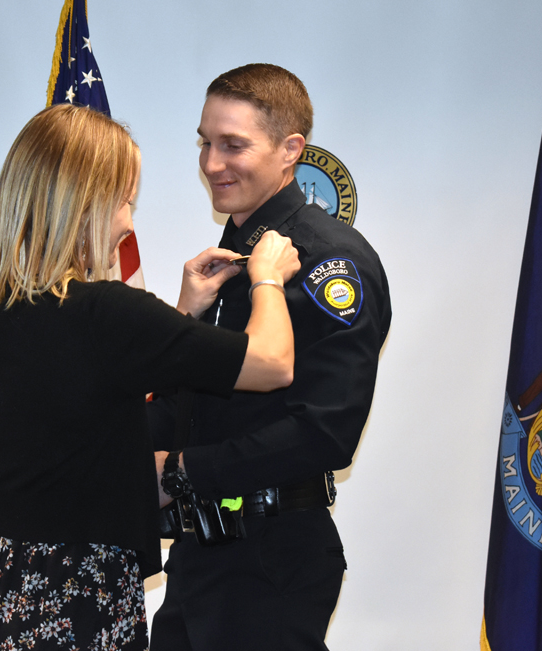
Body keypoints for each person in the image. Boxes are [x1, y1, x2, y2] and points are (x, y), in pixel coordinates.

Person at [0, 103, 301, 651]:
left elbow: (78, 399)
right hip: (77, 595)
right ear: (87, 201)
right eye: (127, 200)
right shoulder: (107, 313)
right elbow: (273, 364)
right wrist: (267, 279)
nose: (129, 221)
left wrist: (178, 315)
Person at [149, 64, 392, 650]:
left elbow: (325, 431)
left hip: (270, 559)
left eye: (234, 145)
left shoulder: (328, 261)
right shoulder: (225, 261)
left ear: (290, 151)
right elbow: (199, 403)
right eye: (205, 142)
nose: (212, 163)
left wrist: (182, 473)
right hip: (202, 550)